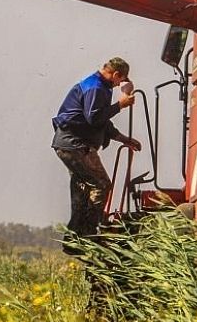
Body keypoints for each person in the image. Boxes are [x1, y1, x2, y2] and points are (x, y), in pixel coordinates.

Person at [51, 57, 142, 250]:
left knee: (82, 189)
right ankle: (90, 234)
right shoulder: (96, 88)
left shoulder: (97, 86)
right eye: (121, 80)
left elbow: (102, 122)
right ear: (116, 74)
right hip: (76, 145)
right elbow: (94, 118)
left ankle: (73, 240)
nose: (120, 85)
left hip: (67, 144)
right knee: (101, 184)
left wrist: (124, 139)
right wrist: (120, 105)